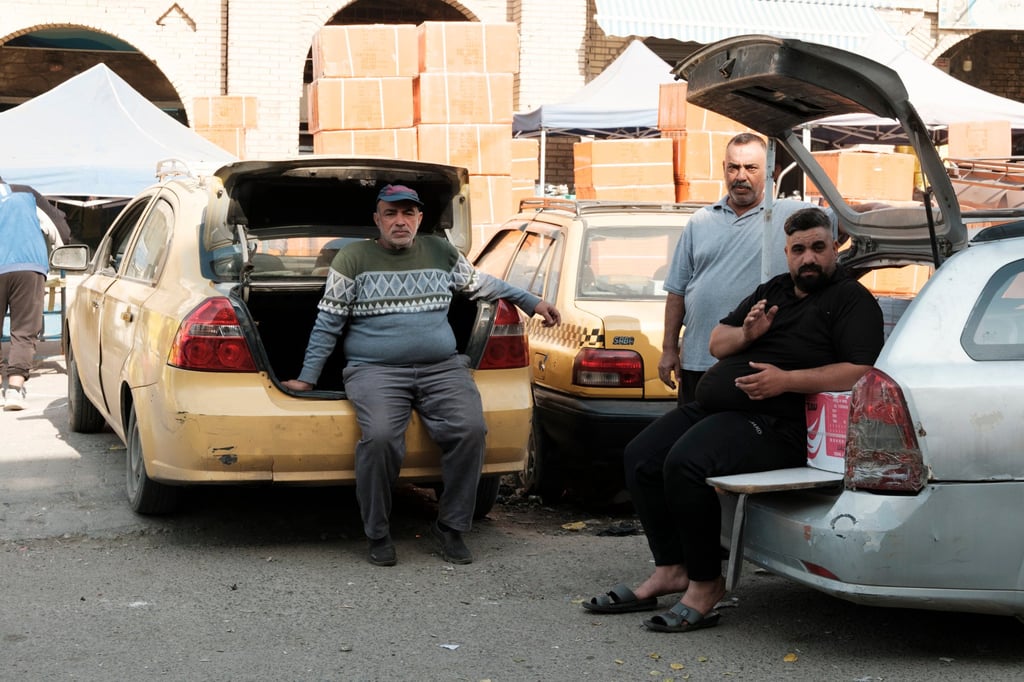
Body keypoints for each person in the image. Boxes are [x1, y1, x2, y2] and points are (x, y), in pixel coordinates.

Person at [583, 207, 883, 632]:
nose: (808, 258)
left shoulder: (850, 299)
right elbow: (718, 342)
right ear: (787, 252)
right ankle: (672, 568)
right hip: (721, 407)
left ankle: (706, 584)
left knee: (686, 463)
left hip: (781, 422)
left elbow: (860, 371)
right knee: (641, 456)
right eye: (799, 249)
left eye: (818, 247)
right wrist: (749, 334)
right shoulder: (775, 289)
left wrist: (786, 381)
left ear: (835, 248)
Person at [282, 184, 560, 567]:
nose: (400, 221)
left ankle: (452, 527)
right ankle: (378, 532)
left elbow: (482, 284)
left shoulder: (440, 251)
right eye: (391, 214)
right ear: (377, 220)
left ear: (419, 218)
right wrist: (307, 378)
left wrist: (532, 301)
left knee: (470, 430)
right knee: (380, 438)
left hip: (441, 367)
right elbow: (329, 321)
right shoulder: (352, 258)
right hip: (374, 370)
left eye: (408, 213)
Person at [659, 133, 837, 405]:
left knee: (728, 443)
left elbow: (847, 224)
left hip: (749, 364)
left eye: (751, 168)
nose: (740, 176)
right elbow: (677, 291)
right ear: (724, 169)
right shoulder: (700, 221)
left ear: (771, 172)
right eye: (733, 167)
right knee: (687, 436)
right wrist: (669, 348)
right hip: (696, 360)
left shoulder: (792, 216)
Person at [0, 179, 65, 411]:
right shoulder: (24, 193)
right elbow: (59, 228)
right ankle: (14, 390)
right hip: (28, 266)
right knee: (24, 330)